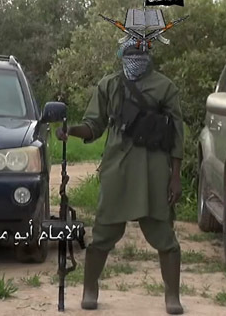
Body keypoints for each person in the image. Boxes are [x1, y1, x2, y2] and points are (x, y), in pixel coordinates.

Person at [56, 41, 185, 314]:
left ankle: (172, 296)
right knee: (104, 233)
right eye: (131, 52)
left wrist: (176, 176)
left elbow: (176, 135)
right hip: (118, 166)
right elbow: (94, 125)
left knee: (164, 236)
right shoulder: (109, 85)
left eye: (141, 52)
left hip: (153, 169)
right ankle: (90, 289)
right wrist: (72, 131)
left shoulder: (165, 87)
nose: (136, 58)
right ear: (122, 55)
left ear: (149, 54)